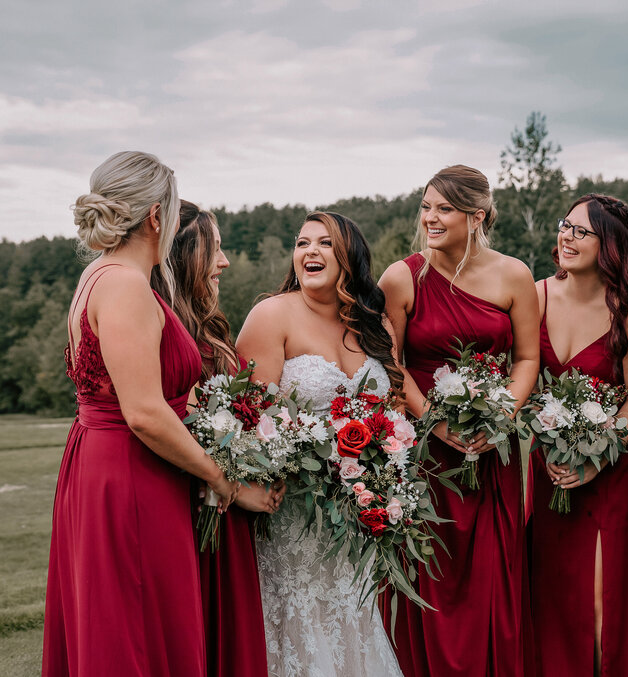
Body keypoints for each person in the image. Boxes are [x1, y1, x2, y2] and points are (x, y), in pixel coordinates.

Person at [42, 151, 238, 677]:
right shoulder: (125, 286)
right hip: (132, 475)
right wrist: (219, 476)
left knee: (125, 622)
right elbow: (145, 412)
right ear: (155, 216)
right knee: (137, 628)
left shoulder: (97, 275)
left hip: (102, 464)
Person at [378, 164, 539, 677]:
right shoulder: (401, 277)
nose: (430, 217)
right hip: (426, 453)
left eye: (444, 208)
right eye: (426, 206)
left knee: (491, 571)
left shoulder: (514, 275)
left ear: (477, 216)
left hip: (492, 452)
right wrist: (435, 424)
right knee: (432, 570)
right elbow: (390, 365)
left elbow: (527, 359)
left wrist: (501, 417)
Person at [236, 211, 405, 677]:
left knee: (352, 617)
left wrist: (384, 470)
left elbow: (393, 409)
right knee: (298, 625)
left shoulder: (375, 324)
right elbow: (252, 417)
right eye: (302, 243)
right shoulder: (272, 315)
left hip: (355, 515)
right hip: (293, 510)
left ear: (350, 256)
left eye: (325, 243)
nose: (310, 251)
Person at [526, 194, 628, 676]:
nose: (567, 236)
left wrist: (596, 458)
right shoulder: (535, 297)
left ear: (610, 246)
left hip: (610, 472)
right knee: (553, 593)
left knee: (603, 599)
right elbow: (521, 374)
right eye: (565, 225)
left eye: (581, 231)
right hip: (550, 469)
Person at [151, 200, 284, 677]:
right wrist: (235, 486)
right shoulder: (164, 330)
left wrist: (267, 461)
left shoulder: (210, 328)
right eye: (215, 250)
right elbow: (171, 422)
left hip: (226, 514)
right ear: (184, 254)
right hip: (195, 503)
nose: (224, 262)